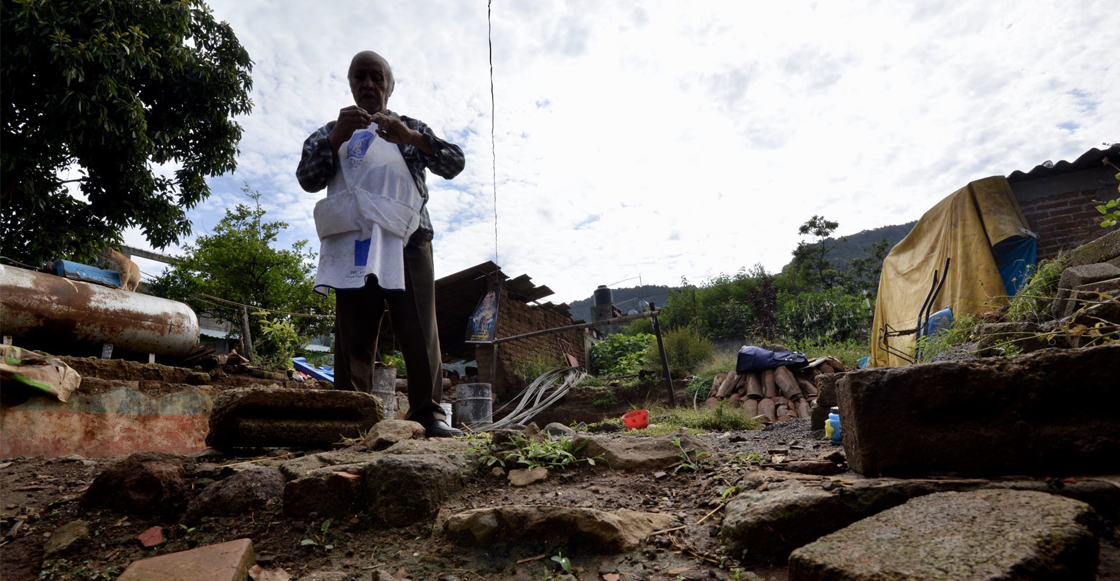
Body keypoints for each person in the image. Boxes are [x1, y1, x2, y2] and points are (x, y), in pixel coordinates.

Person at [297, 51, 465, 437]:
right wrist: (337, 138)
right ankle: (350, 415)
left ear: (389, 86)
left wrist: (410, 138)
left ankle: (427, 414)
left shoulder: (409, 127)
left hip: (408, 237)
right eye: (361, 77)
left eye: (377, 78)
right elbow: (307, 178)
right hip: (354, 239)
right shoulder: (330, 131)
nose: (369, 84)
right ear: (351, 84)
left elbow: (454, 163)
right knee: (353, 329)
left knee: (419, 325)